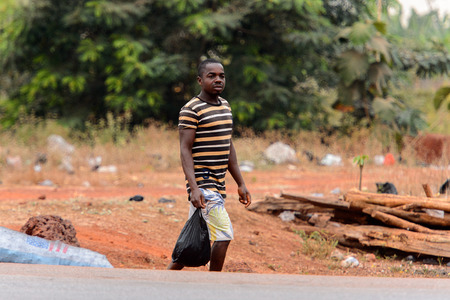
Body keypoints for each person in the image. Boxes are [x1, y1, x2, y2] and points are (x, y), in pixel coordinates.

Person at [167, 58, 251, 272]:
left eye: (221, 76)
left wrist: (240, 183)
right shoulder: (191, 109)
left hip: (218, 184)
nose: (218, 80)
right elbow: (185, 149)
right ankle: (214, 284)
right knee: (224, 235)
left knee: (192, 241)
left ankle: (163, 282)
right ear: (200, 80)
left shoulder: (225, 106)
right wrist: (194, 188)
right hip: (203, 184)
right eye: (211, 76)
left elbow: (228, 145)